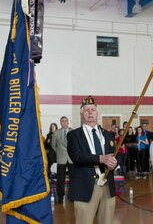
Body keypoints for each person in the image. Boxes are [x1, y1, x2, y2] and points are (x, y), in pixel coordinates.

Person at [67, 96, 117, 224]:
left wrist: (114, 163)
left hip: (107, 185)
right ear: (82, 114)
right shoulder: (74, 135)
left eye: (93, 110)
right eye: (86, 110)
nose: (90, 112)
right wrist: (102, 159)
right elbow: (77, 157)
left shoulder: (107, 134)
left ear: (97, 113)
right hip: (85, 186)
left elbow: (114, 156)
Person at [51, 116, 74, 204]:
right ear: (60, 123)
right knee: (60, 179)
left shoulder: (73, 132)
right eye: (62, 121)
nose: (64, 123)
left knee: (73, 178)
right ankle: (60, 196)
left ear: (68, 122)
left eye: (66, 121)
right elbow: (53, 145)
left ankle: (72, 196)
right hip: (61, 158)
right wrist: (60, 152)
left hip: (71, 158)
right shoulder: (56, 133)